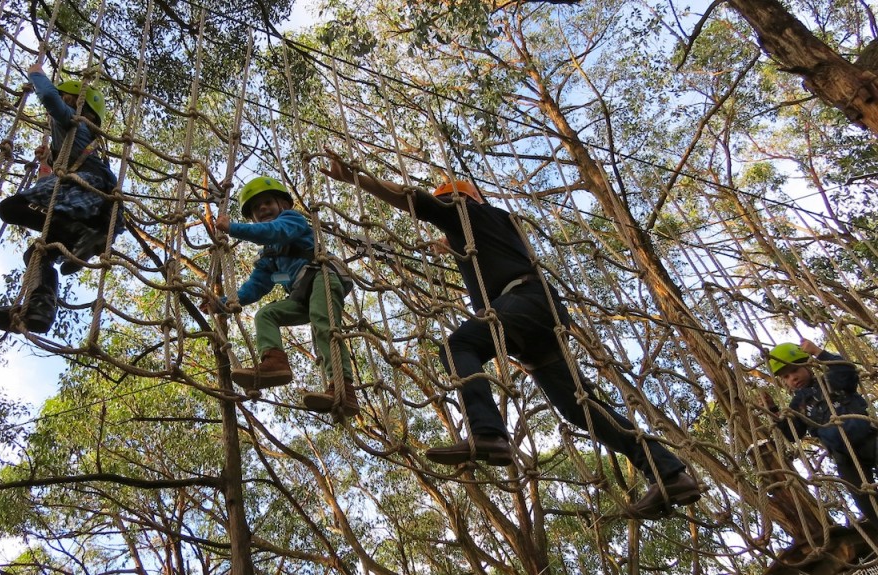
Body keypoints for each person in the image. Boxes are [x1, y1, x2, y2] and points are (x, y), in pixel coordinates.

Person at [319, 150, 702, 519]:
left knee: (459, 346)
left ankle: (488, 433)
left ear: (459, 202)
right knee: (579, 408)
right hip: (539, 320)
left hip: (523, 302)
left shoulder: (464, 212)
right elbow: (474, 250)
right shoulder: (494, 224)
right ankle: (670, 473)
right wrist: (448, 247)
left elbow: (412, 200)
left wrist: (354, 177)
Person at [0, 62, 121, 334]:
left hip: (86, 197)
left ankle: (79, 234)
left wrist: (36, 74)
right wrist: (46, 162)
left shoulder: (71, 122)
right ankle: (39, 311)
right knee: (37, 253)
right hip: (93, 207)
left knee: (11, 207)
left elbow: (48, 98)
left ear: (71, 101)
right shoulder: (79, 144)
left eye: (65, 99)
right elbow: (49, 188)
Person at [211, 176, 358, 417]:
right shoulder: (269, 255)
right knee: (266, 315)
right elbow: (256, 286)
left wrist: (234, 228)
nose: (262, 209)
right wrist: (223, 303)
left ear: (284, 204)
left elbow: (274, 231)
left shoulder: (293, 220)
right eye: (256, 210)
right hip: (302, 295)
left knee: (324, 324)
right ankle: (275, 363)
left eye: (268, 202)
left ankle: (344, 389)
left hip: (322, 277)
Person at [767, 339, 878, 521]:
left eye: (794, 370)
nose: (792, 378)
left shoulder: (830, 380)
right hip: (845, 456)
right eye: (785, 377)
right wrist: (773, 411)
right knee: (864, 499)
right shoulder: (798, 404)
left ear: (807, 364)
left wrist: (818, 352)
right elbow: (791, 433)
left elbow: (847, 371)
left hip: (869, 438)